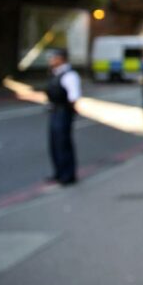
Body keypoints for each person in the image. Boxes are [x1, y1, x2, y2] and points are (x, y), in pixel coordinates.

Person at [46, 48, 81, 186]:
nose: (50, 60)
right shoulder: (56, 74)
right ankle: (59, 172)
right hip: (55, 111)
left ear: (61, 59)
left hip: (63, 112)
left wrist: (67, 110)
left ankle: (68, 175)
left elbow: (74, 97)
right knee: (54, 144)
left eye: (52, 57)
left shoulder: (69, 75)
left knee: (63, 143)